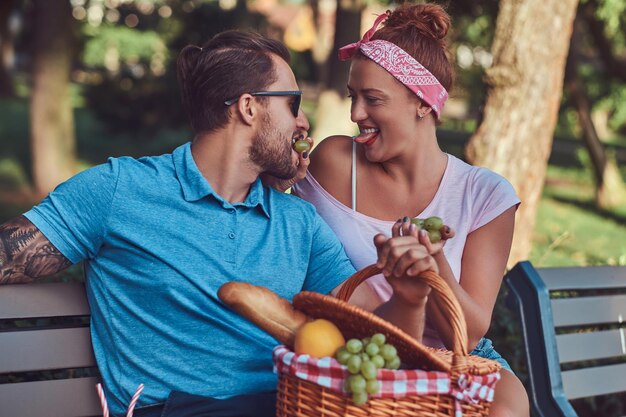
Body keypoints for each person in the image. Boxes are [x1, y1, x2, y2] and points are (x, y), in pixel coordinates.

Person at [0, 30, 439, 417]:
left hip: (289, 405)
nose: (304, 123)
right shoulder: (120, 191)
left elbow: (379, 345)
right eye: (293, 105)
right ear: (249, 108)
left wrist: (410, 297)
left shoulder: (298, 222)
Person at [287, 3, 530, 417]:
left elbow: (467, 336)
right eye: (353, 97)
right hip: (358, 355)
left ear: (422, 102)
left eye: (372, 99)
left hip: (455, 360)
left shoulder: (484, 194)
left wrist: (434, 267)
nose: (355, 114)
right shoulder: (333, 163)